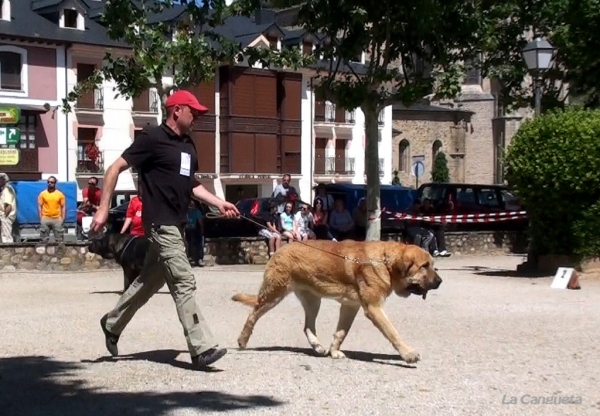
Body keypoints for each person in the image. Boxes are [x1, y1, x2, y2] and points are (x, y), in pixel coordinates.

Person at [90, 89, 239, 369]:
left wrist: (220, 202)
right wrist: (102, 207)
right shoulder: (152, 139)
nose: (196, 116)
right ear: (177, 110)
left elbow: (191, 184)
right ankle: (201, 347)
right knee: (183, 280)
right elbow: (114, 168)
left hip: (177, 223)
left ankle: (111, 324)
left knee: (148, 282)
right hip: (160, 222)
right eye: (193, 111)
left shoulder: (188, 145)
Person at [38, 176, 66, 243]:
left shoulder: (60, 194)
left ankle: (59, 253)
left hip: (57, 219)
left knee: (59, 241)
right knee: (43, 241)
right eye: (48, 182)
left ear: (55, 183)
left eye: (52, 182)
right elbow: (39, 206)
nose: (49, 183)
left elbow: (63, 207)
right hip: (45, 218)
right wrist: (41, 218)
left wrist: (62, 219)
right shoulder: (42, 194)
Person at [185, 200, 205, 267]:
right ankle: (189, 258)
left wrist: (202, 231)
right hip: (187, 230)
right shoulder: (185, 212)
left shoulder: (197, 212)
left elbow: (200, 222)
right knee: (188, 245)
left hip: (196, 230)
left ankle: (199, 259)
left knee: (198, 245)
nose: (190, 206)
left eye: (191, 205)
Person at [0, 173, 16, 243]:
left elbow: (9, 206)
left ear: (3, 180)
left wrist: (4, 217)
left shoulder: (7, 189)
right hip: (3, 216)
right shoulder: (3, 190)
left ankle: (8, 253)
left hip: (6, 216)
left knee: (6, 238)